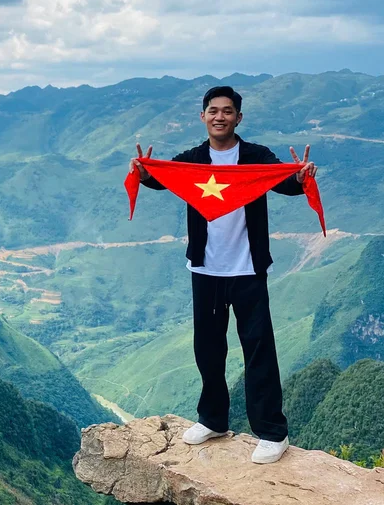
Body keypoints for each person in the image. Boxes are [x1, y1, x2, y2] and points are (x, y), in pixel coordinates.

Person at [129, 85, 318, 464]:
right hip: (205, 268)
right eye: (213, 110)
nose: (220, 116)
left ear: (238, 118)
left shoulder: (254, 156)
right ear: (203, 117)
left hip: (248, 268)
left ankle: (271, 432)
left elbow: (282, 181)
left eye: (227, 111)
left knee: (258, 347)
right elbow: (167, 179)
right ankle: (213, 419)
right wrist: (145, 172)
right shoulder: (195, 159)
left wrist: (300, 178)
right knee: (209, 349)